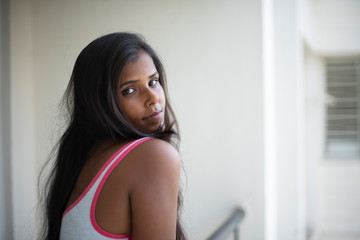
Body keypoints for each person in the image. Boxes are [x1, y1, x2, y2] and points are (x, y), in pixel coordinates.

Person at [39, 32, 186, 240]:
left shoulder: (85, 157)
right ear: (98, 101)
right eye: (129, 90)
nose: (153, 99)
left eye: (153, 82)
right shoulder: (154, 156)